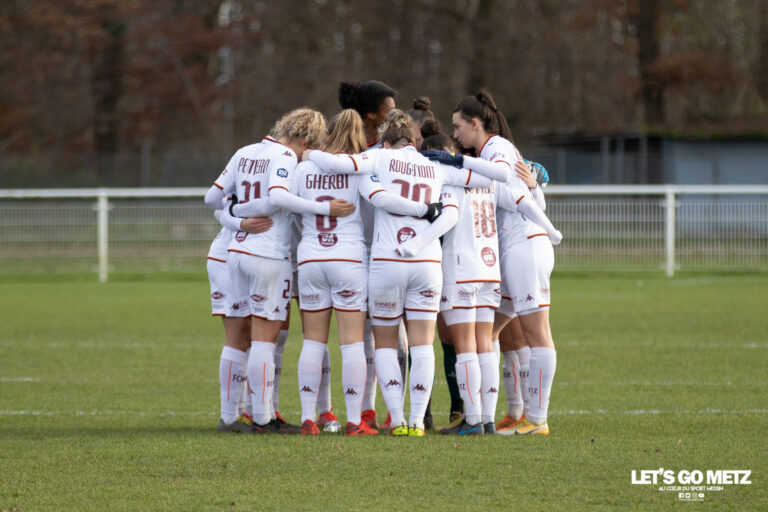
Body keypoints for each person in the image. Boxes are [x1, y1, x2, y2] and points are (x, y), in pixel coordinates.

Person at [312, 109, 508, 436]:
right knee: (422, 345)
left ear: (386, 141)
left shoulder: (379, 157)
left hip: (387, 261)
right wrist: (458, 160)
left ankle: (398, 419)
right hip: (427, 263)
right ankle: (417, 421)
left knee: (386, 343)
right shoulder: (435, 165)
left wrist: (309, 154)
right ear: (413, 140)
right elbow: (491, 179)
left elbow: (336, 165)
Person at [296, 109, 437, 435]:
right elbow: (379, 202)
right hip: (349, 260)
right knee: (352, 344)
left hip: (310, 258)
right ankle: (354, 420)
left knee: (313, 342)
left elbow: (284, 201)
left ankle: (308, 418)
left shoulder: (303, 168)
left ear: (328, 135)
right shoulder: (362, 169)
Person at [211, 107, 350, 434]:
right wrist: (324, 207)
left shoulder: (245, 151)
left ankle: (230, 417)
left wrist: (238, 215)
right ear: (305, 141)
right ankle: (263, 418)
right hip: (267, 253)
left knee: (237, 339)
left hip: (232, 251)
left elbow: (213, 199)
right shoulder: (287, 157)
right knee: (264, 339)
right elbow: (278, 197)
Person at [446, 90, 561, 435]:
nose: (455, 135)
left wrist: (457, 162)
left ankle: (537, 420)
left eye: (458, 126)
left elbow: (502, 176)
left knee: (536, 333)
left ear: (475, 123)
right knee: (489, 332)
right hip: (510, 252)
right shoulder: (489, 151)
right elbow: (527, 195)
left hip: (526, 247)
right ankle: (498, 414)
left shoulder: (496, 148)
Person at [338, 80, 401, 430]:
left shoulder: (392, 148)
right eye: (389, 109)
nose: (394, 113)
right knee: (362, 334)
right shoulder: (352, 152)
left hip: (388, 249)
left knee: (392, 332)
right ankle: (366, 410)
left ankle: (396, 409)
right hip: (355, 249)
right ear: (372, 115)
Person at [202, 186, 273, 432]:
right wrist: (241, 223)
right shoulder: (247, 168)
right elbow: (217, 204)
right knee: (238, 336)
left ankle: (244, 412)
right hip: (227, 256)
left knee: (252, 336)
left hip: (244, 256)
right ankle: (230, 416)